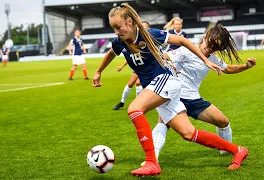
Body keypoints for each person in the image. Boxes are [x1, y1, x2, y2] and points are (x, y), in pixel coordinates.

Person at [92, 4, 248, 177]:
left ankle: (152, 162)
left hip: (166, 80)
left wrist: (205, 60)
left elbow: (181, 40)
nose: (115, 31)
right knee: (188, 133)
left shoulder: (149, 35)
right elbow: (111, 53)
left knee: (135, 110)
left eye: (117, 27)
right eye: (113, 27)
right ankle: (238, 150)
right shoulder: (119, 41)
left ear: (129, 22)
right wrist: (99, 71)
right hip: (160, 86)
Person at [149, 24, 256, 164]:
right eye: (211, 44)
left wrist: (246, 66)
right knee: (163, 123)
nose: (212, 49)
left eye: (217, 48)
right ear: (205, 37)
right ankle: (152, 159)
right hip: (175, 95)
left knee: (223, 121)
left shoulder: (212, 58)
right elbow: (164, 57)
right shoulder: (186, 50)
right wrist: (170, 65)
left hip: (193, 98)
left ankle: (226, 150)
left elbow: (228, 68)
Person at [113, 21, 150, 110]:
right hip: (137, 68)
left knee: (138, 83)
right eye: (142, 27)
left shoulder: (149, 41)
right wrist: (122, 66)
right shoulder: (134, 40)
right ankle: (122, 102)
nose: (143, 29)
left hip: (148, 68)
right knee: (130, 83)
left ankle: (138, 103)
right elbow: (131, 56)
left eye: (145, 28)